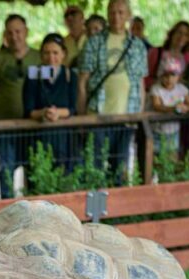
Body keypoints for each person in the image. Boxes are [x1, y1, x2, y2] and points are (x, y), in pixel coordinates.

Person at [77, 0, 148, 185]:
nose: (116, 16)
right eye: (112, 12)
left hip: (125, 118)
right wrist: (82, 116)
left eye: (120, 12)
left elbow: (140, 83)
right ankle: (95, 213)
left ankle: (119, 211)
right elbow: (82, 81)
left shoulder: (138, 45)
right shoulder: (94, 42)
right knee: (95, 168)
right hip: (97, 116)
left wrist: (138, 114)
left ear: (128, 15)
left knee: (121, 169)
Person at [0, 14, 40, 198]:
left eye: (18, 31)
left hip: (34, 126)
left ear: (26, 32)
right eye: (9, 32)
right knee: (6, 171)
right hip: (4, 126)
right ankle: (6, 215)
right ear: (4, 35)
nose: (14, 36)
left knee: (35, 171)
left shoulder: (39, 57)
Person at [23, 34, 77, 171]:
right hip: (38, 138)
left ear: (63, 54)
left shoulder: (69, 75)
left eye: (55, 53)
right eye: (46, 53)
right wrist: (44, 112)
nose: (51, 57)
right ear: (41, 55)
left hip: (64, 139)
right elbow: (28, 110)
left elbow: (73, 108)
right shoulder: (34, 74)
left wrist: (58, 113)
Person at [149, 58, 189, 161]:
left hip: (173, 131)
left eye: (173, 75)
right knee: (156, 159)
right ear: (161, 76)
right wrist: (173, 109)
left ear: (178, 76)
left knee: (172, 158)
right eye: (166, 75)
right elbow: (157, 105)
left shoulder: (181, 89)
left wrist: (185, 108)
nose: (169, 79)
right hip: (157, 131)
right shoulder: (156, 89)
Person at [144, 21, 189, 91]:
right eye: (179, 32)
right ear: (172, 33)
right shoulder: (156, 52)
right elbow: (144, 78)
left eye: (186, 34)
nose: (182, 36)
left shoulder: (188, 57)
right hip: (156, 96)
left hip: (178, 98)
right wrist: (162, 82)